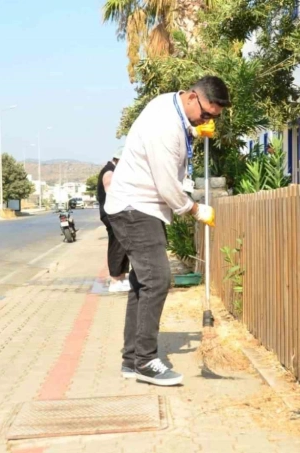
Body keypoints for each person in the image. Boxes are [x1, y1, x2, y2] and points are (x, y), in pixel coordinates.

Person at [105, 76, 230, 386]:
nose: (207, 120)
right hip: (135, 207)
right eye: (206, 114)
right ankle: (146, 361)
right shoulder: (165, 126)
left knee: (142, 283)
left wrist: (193, 131)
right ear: (192, 97)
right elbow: (167, 186)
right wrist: (195, 209)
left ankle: (132, 359)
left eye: (213, 118)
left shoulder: (172, 108)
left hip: (140, 206)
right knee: (158, 279)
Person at [98, 147, 130, 293]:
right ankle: (115, 280)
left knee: (123, 245)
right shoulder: (109, 171)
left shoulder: (115, 170)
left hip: (117, 213)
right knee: (117, 246)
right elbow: (110, 188)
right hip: (112, 214)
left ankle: (121, 278)